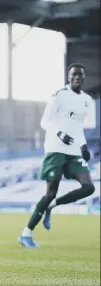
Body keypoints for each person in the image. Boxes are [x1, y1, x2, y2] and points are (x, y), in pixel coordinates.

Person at [18, 63, 95, 248]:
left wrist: (83, 145)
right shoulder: (59, 94)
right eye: (74, 74)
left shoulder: (86, 100)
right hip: (55, 149)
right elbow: (45, 121)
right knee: (50, 192)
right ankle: (26, 234)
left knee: (88, 188)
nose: (77, 77)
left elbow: (78, 128)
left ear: (83, 78)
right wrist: (60, 133)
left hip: (74, 151)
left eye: (80, 75)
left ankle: (52, 207)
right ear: (69, 77)